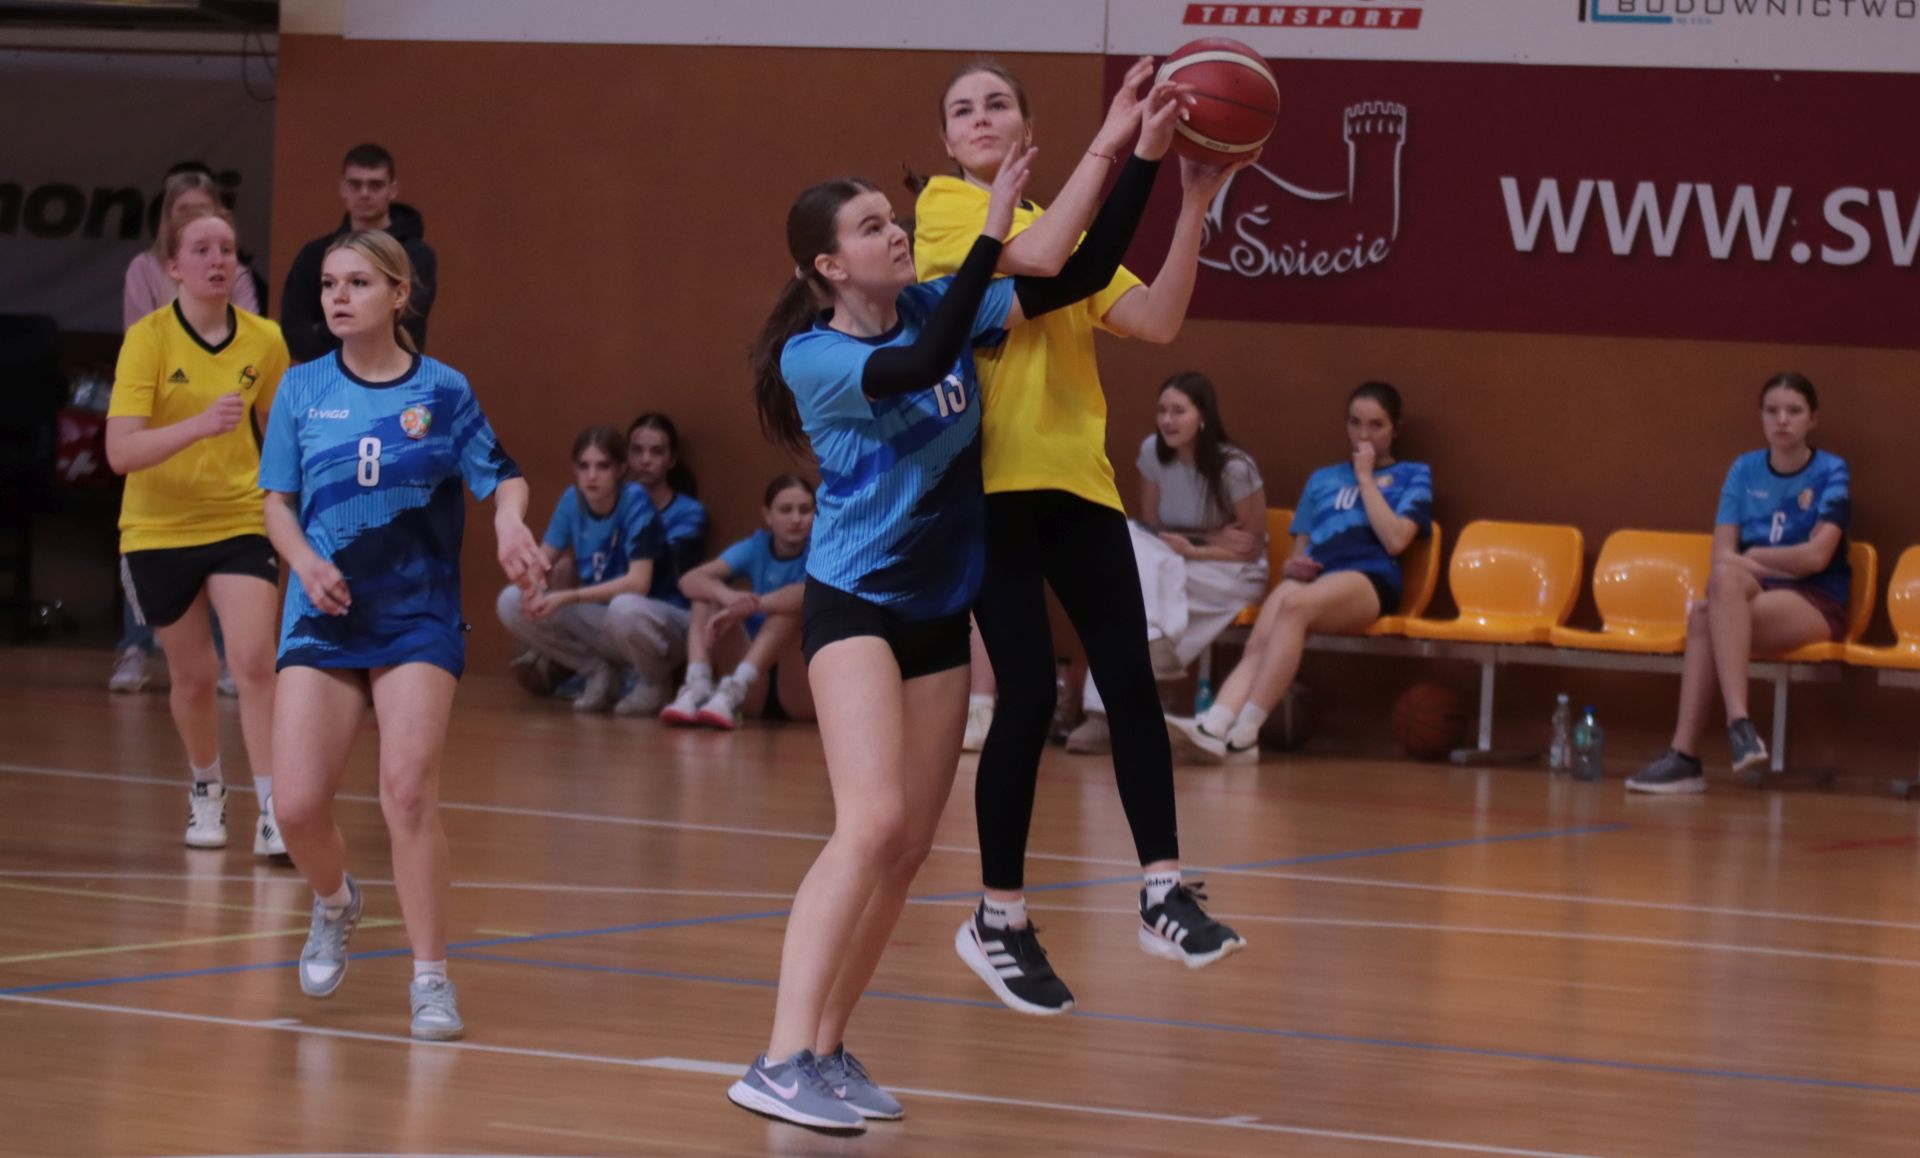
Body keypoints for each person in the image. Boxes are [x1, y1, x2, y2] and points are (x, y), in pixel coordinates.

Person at [726, 78, 1181, 1132]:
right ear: (830, 267)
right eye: (871, 227)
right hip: (854, 605)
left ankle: (827, 1048)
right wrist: (988, 234)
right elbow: (923, 364)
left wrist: (1135, 150)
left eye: (892, 220)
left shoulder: (942, 304)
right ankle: (780, 1056)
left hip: (939, 613)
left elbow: (1077, 273)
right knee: (870, 823)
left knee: (907, 847)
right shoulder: (817, 356)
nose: (894, 232)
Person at [914, 57, 1249, 1015]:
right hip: (988, 486)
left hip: (1080, 481)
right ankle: (998, 916)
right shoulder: (945, 209)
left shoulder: (1048, 215)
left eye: (998, 103)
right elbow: (1052, 257)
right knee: (1024, 698)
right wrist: (1127, 142)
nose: (981, 117)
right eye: (963, 109)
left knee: (1130, 680)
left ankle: (1161, 892)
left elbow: (1156, 316)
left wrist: (1191, 200)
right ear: (946, 139)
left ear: (1028, 126)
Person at [260, 230, 544, 1041]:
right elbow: (277, 502)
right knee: (296, 806)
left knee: (409, 792)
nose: (338, 297)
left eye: (357, 283)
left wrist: (510, 524)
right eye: (328, 284)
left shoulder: (443, 391)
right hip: (323, 612)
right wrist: (305, 562)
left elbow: (505, 476)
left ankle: (430, 978)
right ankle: (335, 902)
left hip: (417, 614)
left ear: (399, 294)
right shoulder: (302, 388)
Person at [104, 206, 289, 856]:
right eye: (202, 249)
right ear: (173, 266)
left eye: (227, 249)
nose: (218, 260)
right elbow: (121, 453)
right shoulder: (148, 339)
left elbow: (285, 431)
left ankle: (275, 809)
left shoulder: (266, 340)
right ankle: (207, 787)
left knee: (254, 661)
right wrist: (199, 425)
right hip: (158, 526)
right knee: (193, 677)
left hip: (240, 517)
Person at [1169, 382, 1431, 764]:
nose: (1364, 435)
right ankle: (1215, 725)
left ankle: (1246, 731)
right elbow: (1298, 553)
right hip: (1317, 579)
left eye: (1376, 425)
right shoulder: (1322, 480)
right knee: (1261, 638)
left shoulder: (1414, 475)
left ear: (1396, 428)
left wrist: (1365, 479)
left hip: (1370, 578)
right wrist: (1294, 566)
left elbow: (1395, 540)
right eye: (1355, 423)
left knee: (1294, 607)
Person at [1627, 373, 1850, 795]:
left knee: (1705, 616)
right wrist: (1768, 563)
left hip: (1815, 600)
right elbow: (1721, 556)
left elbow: (1816, 558)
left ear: (1813, 419)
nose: (1782, 420)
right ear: (1761, 416)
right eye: (1772, 411)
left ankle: (1688, 754)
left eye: (1794, 411)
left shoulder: (1831, 470)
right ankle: (1737, 725)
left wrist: (1758, 555)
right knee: (1720, 587)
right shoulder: (1743, 469)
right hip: (1753, 593)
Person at [110, 166, 260, 695]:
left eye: (205, 211)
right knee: (151, 544)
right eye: (185, 214)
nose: (215, 257)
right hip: (160, 450)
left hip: (230, 473)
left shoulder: (249, 300)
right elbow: (140, 336)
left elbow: (249, 352)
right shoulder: (144, 277)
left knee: (248, 642)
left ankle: (230, 661)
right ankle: (134, 647)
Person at [1065, 371, 1269, 753]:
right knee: (1129, 540)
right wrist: (1202, 539)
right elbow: (1154, 530)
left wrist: (1199, 548)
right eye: (1162, 411)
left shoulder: (1234, 467)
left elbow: (1251, 548)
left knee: (1144, 596)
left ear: (1203, 416)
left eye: (1179, 411)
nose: (1168, 420)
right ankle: (1149, 645)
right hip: (1178, 558)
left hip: (1232, 571)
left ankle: (1106, 713)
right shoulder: (1152, 453)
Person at [495, 425, 674, 714]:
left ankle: (654, 683)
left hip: (657, 619)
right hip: (604, 617)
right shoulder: (572, 500)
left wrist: (567, 596)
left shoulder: (636, 501)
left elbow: (638, 583)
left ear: (620, 469)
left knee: (625, 608)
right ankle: (598, 671)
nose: (592, 476)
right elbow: (543, 558)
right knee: (511, 601)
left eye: (602, 466)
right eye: (584, 466)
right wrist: (531, 584)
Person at [661, 474, 816, 728]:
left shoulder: (820, 549)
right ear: (767, 515)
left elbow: (805, 593)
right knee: (705, 596)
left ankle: (737, 685)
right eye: (786, 510)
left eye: (805, 510)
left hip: (796, 685)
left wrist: (750, 606)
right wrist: (728, 597)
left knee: (790, 609)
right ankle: (698, 684)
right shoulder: (757, 546)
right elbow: (689, 580)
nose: (796, 519)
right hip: (752, 685)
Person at [280, 143, 437, 362]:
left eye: (375, 185)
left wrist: (324, 329)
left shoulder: (416, 255)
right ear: (342, 188)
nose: (364, 193)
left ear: (392, 189)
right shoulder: (314, 254)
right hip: (325, 376)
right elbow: (295, 333)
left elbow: (402, 323)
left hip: (395, 373)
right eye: (355, 184)